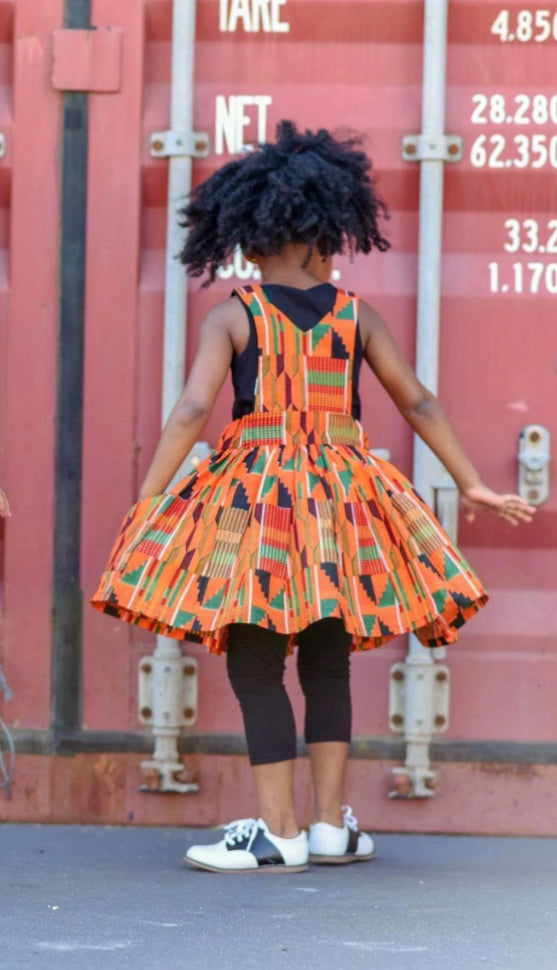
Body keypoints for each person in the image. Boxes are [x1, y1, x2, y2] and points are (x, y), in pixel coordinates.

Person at [91, 121, 535, 874]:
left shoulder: (235, 315)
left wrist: (149, 497)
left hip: (257, 502)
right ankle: (330, 827)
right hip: (343, 505)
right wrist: (470, 483)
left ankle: (278, 833)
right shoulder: (355, 316)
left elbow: (193, 411)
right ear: (325, 233)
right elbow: (418, 403)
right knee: (329, 661)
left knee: (257, 663)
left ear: (259, 234)